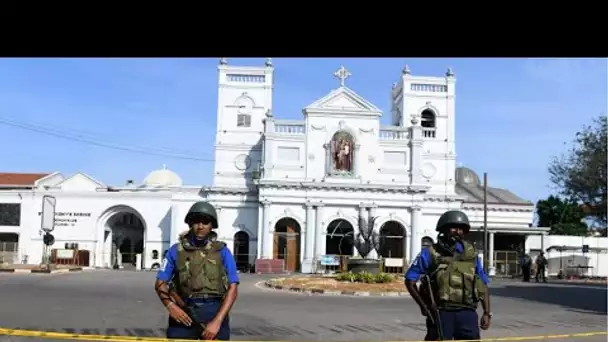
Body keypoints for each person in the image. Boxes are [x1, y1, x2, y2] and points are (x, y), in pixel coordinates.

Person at [154, 201, 239, 340]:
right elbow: (160, 284)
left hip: (214, 310)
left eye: (205, 222)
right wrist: (170, 305)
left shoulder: (222, 251)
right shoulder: (175, 250)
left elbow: (233, 289)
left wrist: (217, 321)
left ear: (212, 225)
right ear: (190, 224)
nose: (200, 226)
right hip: (183, 311)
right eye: (196, 222)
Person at [404, 210, 492, 341]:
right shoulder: (430, 253)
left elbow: (482, 284)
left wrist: (487, 313)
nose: (457, 231)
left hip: (467, 312)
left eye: (461, 229)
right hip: (441, 312)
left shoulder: (471, 254)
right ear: (443, 229)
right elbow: (410, 281)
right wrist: (424, 307)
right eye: (454, 227)